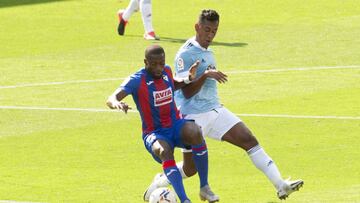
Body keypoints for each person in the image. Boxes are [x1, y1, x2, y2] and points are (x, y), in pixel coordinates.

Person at [143, 9, 304, 201]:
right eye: (207, 30)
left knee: (249, 139)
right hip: (192, 118)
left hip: (215, 110)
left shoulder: (207, 51)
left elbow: (206, 85)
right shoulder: (185, 54)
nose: (210, 35)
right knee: (190, 168)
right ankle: (161, 181)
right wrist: (205, 75)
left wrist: (211, 93)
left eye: (215, 31)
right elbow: (185, 91)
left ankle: (281, 185)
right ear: (197, 27)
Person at [106, 45, 219, 203]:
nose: (159, 68)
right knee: (164, 150)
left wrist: (187, 78)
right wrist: (117, 103)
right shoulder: (136, 80)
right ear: (146, 62)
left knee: (195, 131)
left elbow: (173, 84)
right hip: (155, 132)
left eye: (161, 63)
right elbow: (111, 98)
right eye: (154, 64)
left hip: (175, 125)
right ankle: (184, 199)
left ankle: (204, 187)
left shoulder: (166, 70)